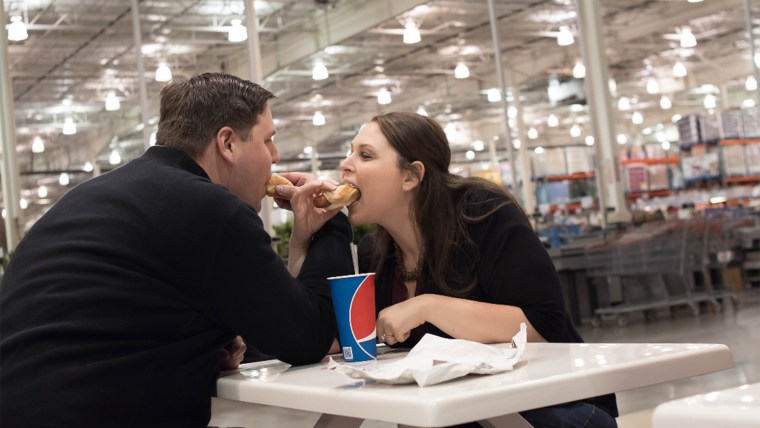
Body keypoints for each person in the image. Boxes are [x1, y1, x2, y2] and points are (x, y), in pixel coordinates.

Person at [0, 73, 354, 428]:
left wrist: (198, 342)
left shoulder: (92, 196)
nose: (275, 157)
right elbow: (310, 338)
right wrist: (330, 218)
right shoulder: (211, 208)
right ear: (228, 143)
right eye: (268, 140)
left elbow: (103, 316)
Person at [339, 112, 618, 428]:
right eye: (350, 152)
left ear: (411, 176)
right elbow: (336, 341)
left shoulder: (483, 215)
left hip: (552, 406)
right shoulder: (375, 254)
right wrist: (305, 238)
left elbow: (544, 327)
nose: (345, 165)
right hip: (456, 415)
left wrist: (428, 306)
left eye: (364, 155)